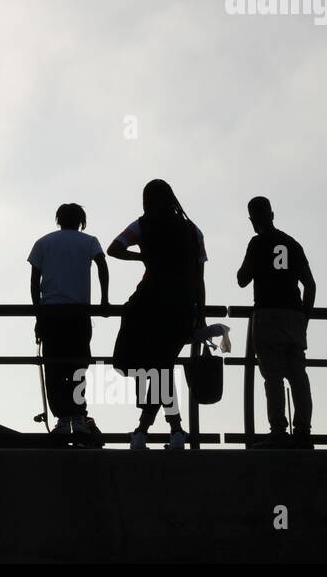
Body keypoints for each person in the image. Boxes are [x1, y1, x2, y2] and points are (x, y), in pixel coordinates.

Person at [107, 179, 206, 450]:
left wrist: (141, 258)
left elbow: (114, 248)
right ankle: (170, 431)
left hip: (148, 305)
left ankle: (149, 430)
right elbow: (199, 278)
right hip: (182, 308)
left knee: (157, 367)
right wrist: (201, 316)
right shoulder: (192, 231)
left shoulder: (143, 225)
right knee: (162, 366)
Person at [236, 197, 316, 449]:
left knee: (273, 376)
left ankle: (279, 432)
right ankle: (303, 431)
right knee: (298, 375)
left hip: (268, 314)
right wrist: (304, 316)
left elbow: (241, 279)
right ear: (272, 214)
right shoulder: (292, 243)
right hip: (293, 314)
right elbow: (310, 285)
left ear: (252, 219)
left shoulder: (257, 243)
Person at [27, 203, 108, 442]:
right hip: (79, 313)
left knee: (53, 367)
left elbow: (34, 281)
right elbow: (102, 265)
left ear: (58, 219)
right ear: (81, 220)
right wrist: (104, 300)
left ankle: (62, 419)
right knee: (78, 366)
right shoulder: (90, 241)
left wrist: (37, 313)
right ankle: (78, 416)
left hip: (51, 313)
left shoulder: (43, 242)